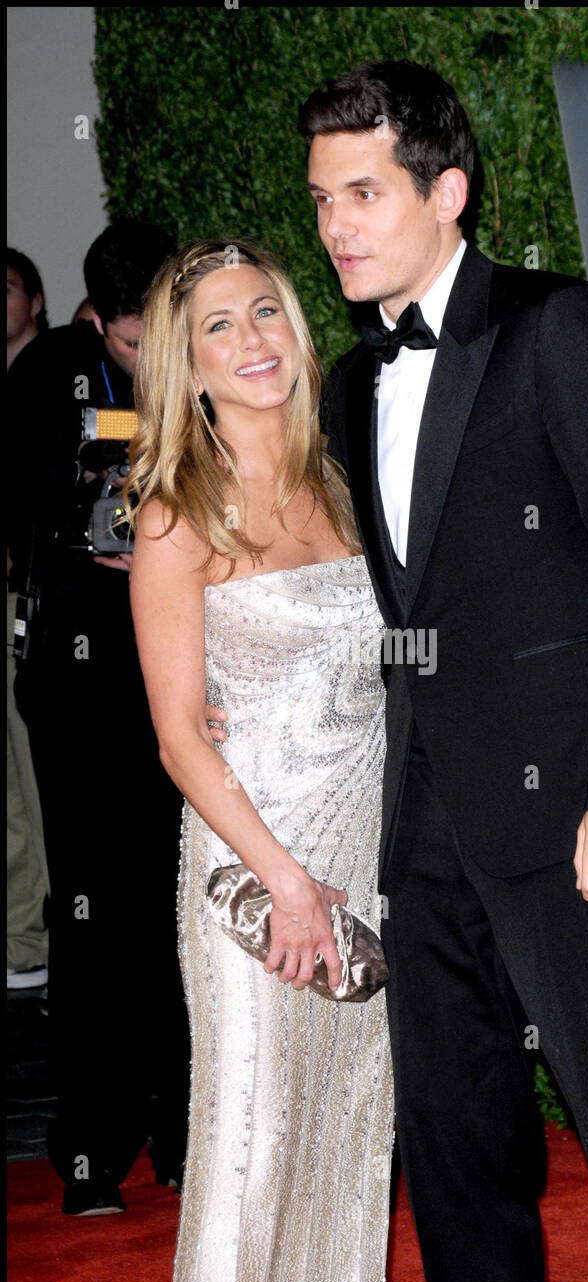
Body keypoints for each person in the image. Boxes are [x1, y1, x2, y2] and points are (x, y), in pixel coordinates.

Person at [278, 58, 588, 1282]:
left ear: (446, 191)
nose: (335, 227)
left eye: (363, 194)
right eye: (323, 200)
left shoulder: (559, 326)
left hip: (574, 815)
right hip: (422, 823)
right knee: (454, 1140)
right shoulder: (351, 382)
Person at [126, 238, 394, 1282]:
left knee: (350, 1131)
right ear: (187, 365)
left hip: (364, 859)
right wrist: (285, 881)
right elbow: (179, 737)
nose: (251, 341)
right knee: (255, 1139)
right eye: (219, 327)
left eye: (265, 312)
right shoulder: (174, 515)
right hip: (253, 873)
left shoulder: (345, 484)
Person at [8, 221, 190, 1215]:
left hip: (184, 666)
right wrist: (80, 524)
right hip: (82, 681)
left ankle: (184, 1129)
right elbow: (19, 501)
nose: (147, 353)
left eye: (161, 331)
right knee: (91, 907)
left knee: (181, 900)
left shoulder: (203, 357)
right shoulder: (49, 375)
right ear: (92, 319)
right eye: (128, 339)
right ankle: (91, 1148)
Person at [7, 250, 50, 989]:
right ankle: (21, 940)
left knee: (32, 779)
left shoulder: (57, 381)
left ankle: (33, 942)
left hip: (37, 604)